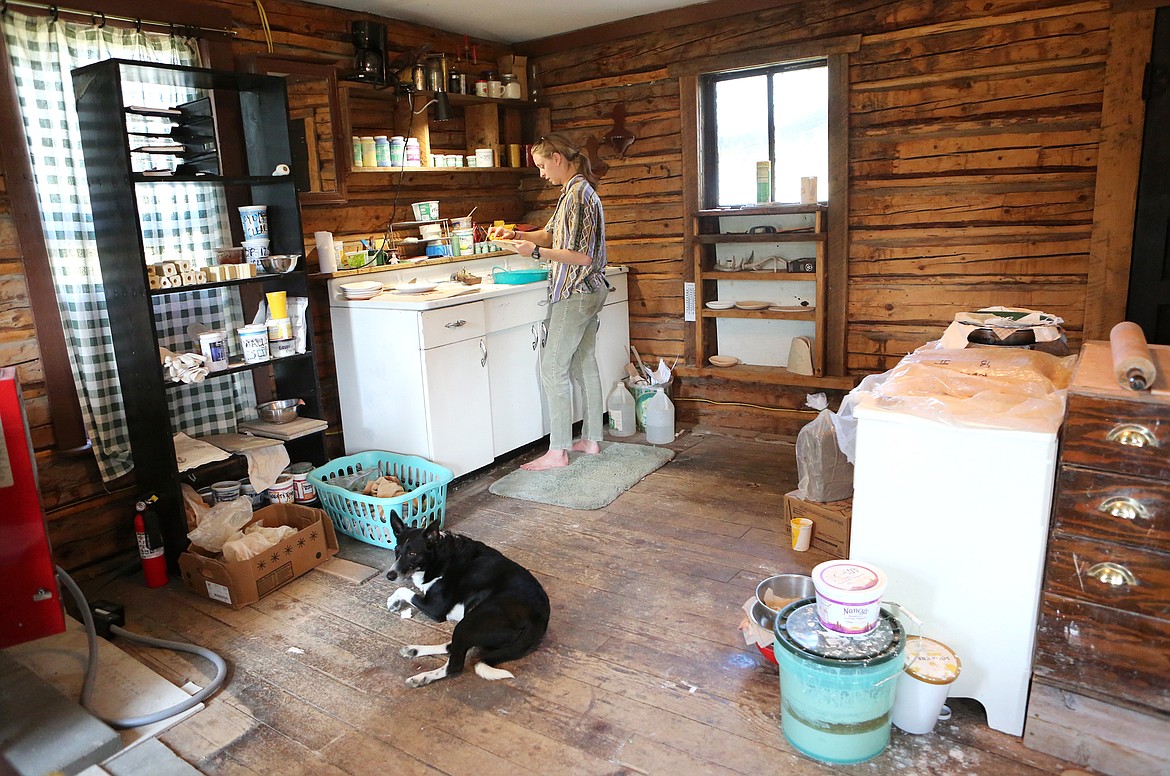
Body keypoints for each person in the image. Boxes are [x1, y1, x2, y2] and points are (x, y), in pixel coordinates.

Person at [489, 133, 608, 471]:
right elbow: (551, 233)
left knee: (552, 368)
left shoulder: (577, 196)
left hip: (576, 289)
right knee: (583, 363)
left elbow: (581, 257)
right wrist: (516, 235)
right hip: (590, 290)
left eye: (542, 165)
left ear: (557, 158)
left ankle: (558, 450)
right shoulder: (575, 191)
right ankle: (592, 439)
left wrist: (536, 252)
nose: (541, 173)